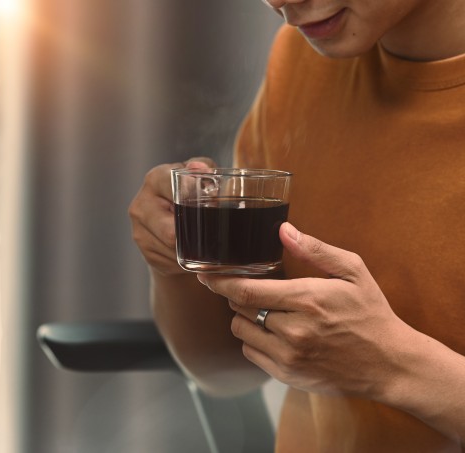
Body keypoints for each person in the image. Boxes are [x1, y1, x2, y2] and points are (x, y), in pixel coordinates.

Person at [128, 0, 465, 451]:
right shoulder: (303, 57)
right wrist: (175, 262)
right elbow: (227, 370)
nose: (279, 1)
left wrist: (396, 369)